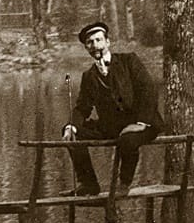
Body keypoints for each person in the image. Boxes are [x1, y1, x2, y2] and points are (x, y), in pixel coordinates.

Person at [61, 22, 164, 197]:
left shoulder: (129, 61)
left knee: (128, 140)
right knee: (72, 132)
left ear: (108, 42)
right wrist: (72, 125)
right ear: (87, 48)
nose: (95, 45)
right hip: (113, 127)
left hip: (143, 124)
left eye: (99, 40)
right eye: (90, 42)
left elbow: (148, 89)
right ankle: (88, 184)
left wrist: (141, 122)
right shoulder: (89, 76)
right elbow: (82, 107)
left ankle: (124, 184)